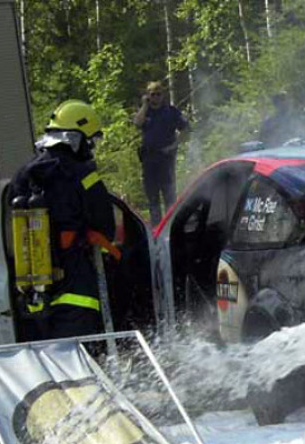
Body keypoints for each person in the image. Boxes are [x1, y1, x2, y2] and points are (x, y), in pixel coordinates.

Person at [12, 100, 117, 341]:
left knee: (49, 361)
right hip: (75, 286)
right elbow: (105, 227)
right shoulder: (84, 175)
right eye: (90, 141)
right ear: (76, 139)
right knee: (80, 360)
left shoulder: (23, 175)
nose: (90, 148)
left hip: (32, 291)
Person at [133, 81, 189, 226]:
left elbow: (185, 130)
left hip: (165, 158)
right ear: (148, 96)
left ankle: (171, 225)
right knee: (152, 198)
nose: (156, 97)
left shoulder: (170, 111)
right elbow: (137, 123)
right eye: (153, 94)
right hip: (148, 159)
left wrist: (174, 146)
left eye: (159, 94)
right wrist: (145, 105)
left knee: (169, 195)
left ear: (163, 95)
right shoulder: (145, 112)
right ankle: (156, 227)